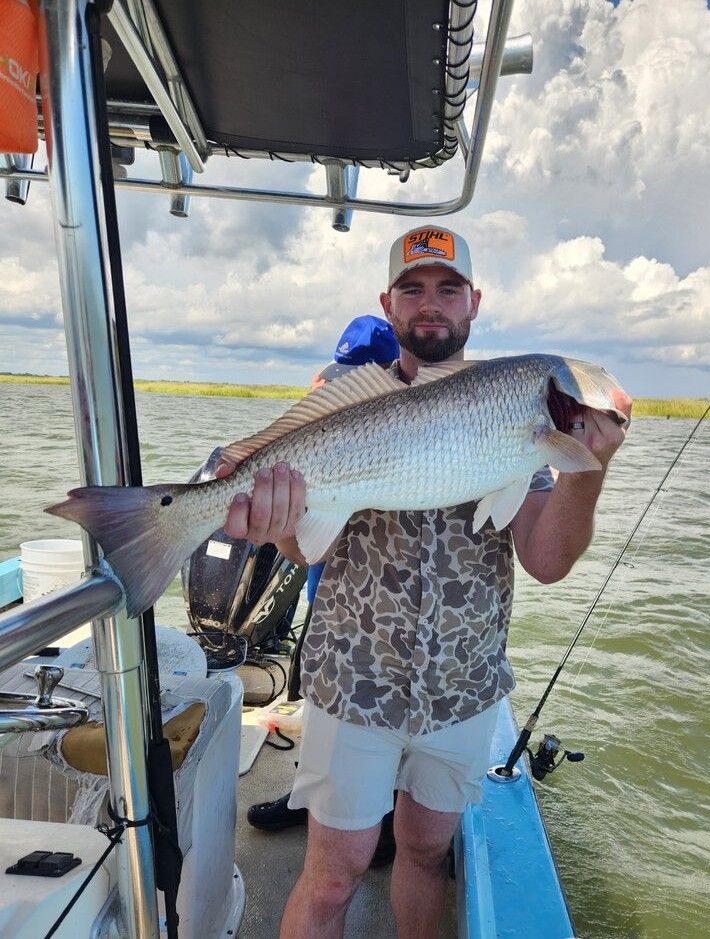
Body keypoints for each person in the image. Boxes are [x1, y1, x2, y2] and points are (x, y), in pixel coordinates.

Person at [222, 225, 632, 939]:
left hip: (463, 687)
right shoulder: (350, 400)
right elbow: (300, 545)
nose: (430, 303)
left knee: (425, 849)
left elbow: (547, 559)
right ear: (389, 304)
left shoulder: (517, 402)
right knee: (335, 870)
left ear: (474, 303)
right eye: (413, 289)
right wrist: (274, 522)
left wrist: (585, 472)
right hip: (356, 680)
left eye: (448, 288)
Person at [244, 315, 400, 869]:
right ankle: (308, 797)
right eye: (334, 379)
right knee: (314, 684)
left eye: (349, 379)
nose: (334, 390)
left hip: (386, 623)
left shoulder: (402, 430)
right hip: (324, 593)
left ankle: (383, 822)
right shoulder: (321, 425)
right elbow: (303, 547)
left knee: (383, 721)